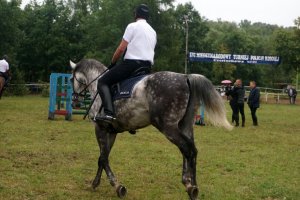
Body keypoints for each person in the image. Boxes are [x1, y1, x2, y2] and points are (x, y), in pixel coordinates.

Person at [95, 4, 157, 123]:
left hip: (131, 65)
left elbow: (121, 49)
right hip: (146, 68)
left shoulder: (132, 26)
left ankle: (108, 113)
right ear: (147, 16)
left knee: (103, 81)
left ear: (135, 15)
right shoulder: (153, 31)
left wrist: (113, 62)